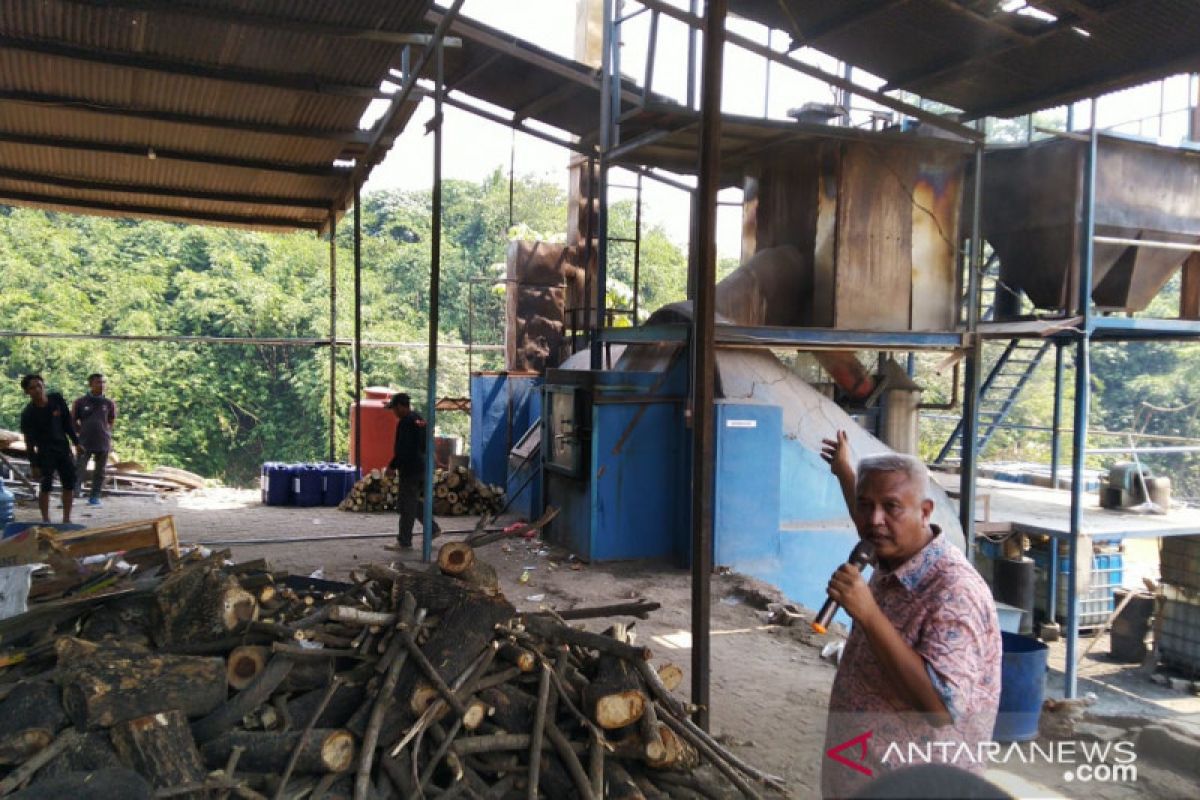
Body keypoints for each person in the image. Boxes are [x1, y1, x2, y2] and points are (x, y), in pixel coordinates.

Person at [819, 431, 1002, 799]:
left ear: (925, 511)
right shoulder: (891, 552)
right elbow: (875, 522)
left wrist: (868, 615)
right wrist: (844, 472)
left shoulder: (953, 592)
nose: (875, 520)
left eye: (891, 506)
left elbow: (939, 711)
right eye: (864, 505)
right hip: (861, 771)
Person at [19, 374, 80, 524]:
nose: (37, 390)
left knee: (69, 484)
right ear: (27, 392)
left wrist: (77, 442)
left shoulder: (57, 400)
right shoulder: (28, 413)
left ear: (44, 386)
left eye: (39, 386)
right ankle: (46, 519)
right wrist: (33, 464)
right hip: (45, 452)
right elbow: (29, 442)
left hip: (63, 448)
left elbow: (67, 423)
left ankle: (67, 519)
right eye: (32, 388)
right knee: (45, 486)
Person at [385, 392, 441, 548]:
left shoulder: (406, 422)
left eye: (395, 409)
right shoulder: (419, 419)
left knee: (406, 505)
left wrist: (392, 465)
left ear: (402, 406)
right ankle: (432, 528)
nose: (394, 413)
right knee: (411, 502)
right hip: (423, 467)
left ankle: (404, 540)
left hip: (411, 469)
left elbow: (405, 449)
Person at [72, 372, 117, 507]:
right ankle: (73, 496)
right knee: (79, 469)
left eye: (103, 382)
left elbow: (111, 420)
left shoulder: (109, 403)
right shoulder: (80, 402)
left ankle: (94, 497)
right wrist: (80, 433)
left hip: (102, 442)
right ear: (91, 384)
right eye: (98, 382)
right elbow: (73, 420)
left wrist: (106, 432)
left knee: (100, 472)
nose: (102, 385)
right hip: (84, 442)